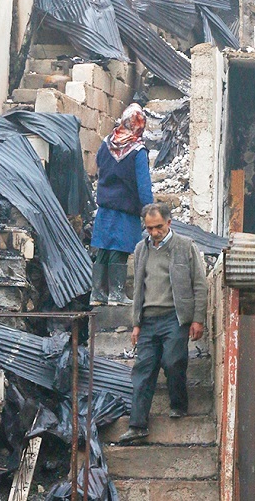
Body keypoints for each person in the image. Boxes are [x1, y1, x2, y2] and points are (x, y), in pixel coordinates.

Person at [118, 202, 208, 443]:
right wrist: (136, 323)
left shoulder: (185, 246)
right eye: (149, 228)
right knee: (143, 371)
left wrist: (197, 319)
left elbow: (200, 284)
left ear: (169, 223)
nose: (154, 232)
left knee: (173, 361)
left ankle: (179, 403)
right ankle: (137, 425)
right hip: (148, 320)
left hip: (174, 318)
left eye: (158, 227)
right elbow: (139, 288)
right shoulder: (141, 249)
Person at [90, 103, 154, 306]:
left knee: (103, 248)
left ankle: (97, 293)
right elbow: (143, 185)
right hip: (126, 211)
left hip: (105, 208)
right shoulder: (137, 151)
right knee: (120, 249)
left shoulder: (107, 143)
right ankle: (116, 294)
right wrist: (148, 210)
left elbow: (98, 165)